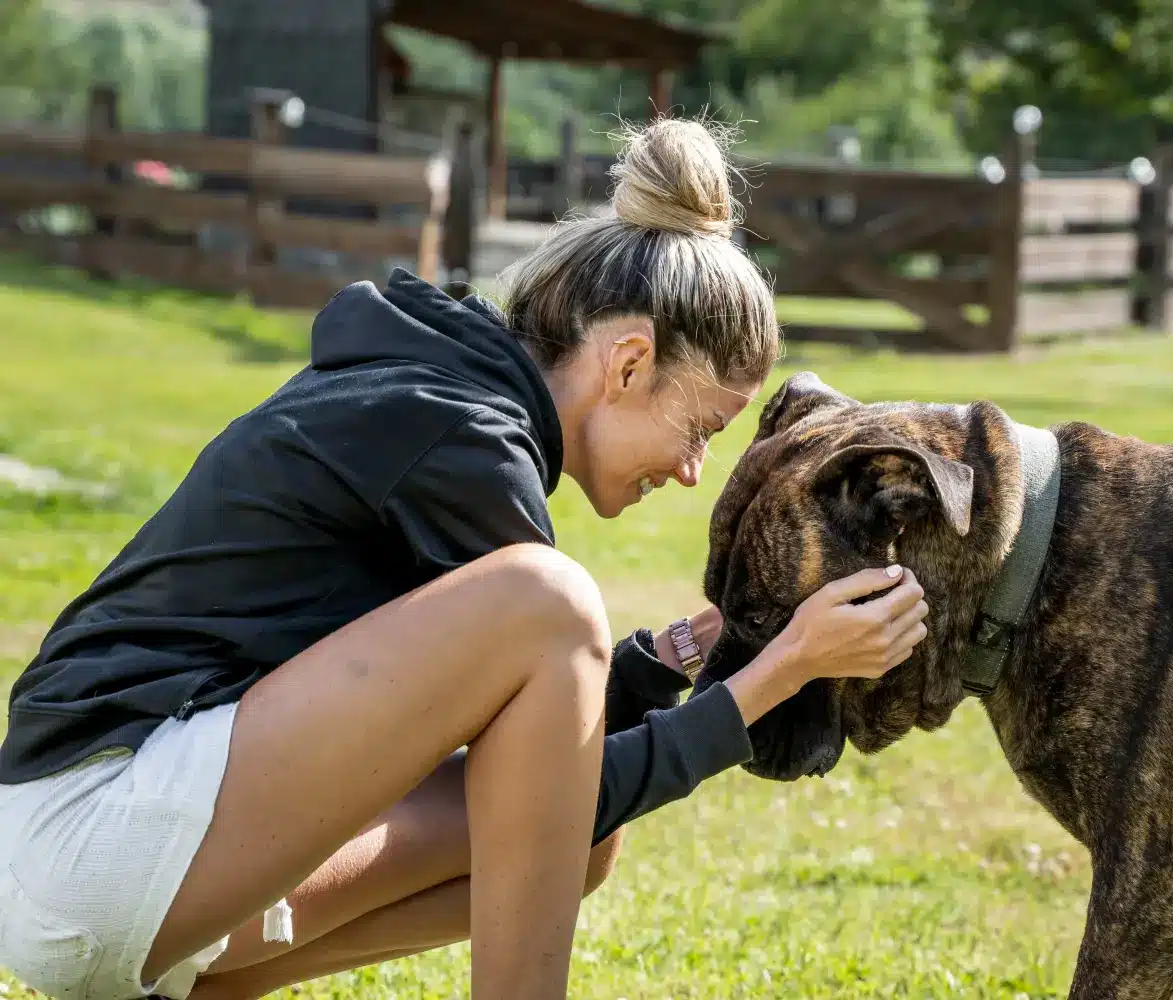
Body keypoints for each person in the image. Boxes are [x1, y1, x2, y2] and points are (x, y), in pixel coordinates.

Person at [0, 117, 930, 1000]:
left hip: (83, 855)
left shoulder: (444, 389)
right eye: (699, 430)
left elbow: (537, 789)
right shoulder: (464, 441)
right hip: (99, 836)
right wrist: (779, 673)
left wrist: (651, 669)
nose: (693, 471)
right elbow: (560, 784)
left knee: (581, 845)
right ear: (630, 363)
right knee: (553, 605)